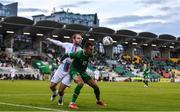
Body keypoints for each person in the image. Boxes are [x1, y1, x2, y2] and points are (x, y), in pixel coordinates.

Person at [60, 42, 106, 109]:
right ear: (86, 49)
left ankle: (98, 101)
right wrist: (61, 60)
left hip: (83, 72)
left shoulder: (90, 54)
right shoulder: (78, 54)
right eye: (90, 49)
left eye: (92, 49)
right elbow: (67, 54)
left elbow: (94, 55)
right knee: (80, 83)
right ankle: (72, 103)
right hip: (74, 70)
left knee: (96, 86)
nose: (92, 51)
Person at [47, 33, 82, 105]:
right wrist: (51, 40)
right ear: (74, 39)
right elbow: (59, 43)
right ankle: (54, 93)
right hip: (62, 68)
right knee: (52, 86)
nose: (80, 40)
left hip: (70, 72)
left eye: (80, 38)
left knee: (61, 90)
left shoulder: (81, 51)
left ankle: (60, 99)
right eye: (78, 38)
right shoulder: (68, 45)